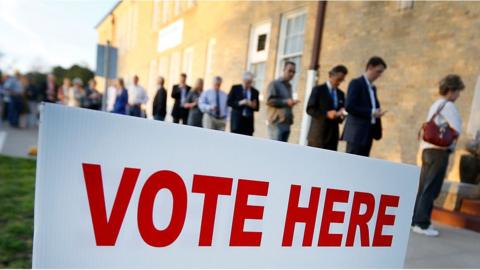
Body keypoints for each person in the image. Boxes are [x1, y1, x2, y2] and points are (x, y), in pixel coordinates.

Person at [412, 74, 465, 237]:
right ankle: (422, 223)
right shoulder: (449, 106)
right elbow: (457, 128)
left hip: (427, 149)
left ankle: (415, 220)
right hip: (439, 151)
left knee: (423, 186)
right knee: (431, 187)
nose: (458, 95)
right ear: (451, 90)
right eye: (457, 91)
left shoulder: (436, 104)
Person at [342, 56, 387, 157]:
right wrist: (372, 112)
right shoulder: (356, 83)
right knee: (351, 165)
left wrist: (377, 113)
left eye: (381, 73)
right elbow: (349, 106)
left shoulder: (373, 88)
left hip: (368, 133)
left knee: (362, 167)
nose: (379, 75)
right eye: (378, 71)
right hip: (356, 134)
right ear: (370, 67)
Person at [306, 65, 348, 150]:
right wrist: (326, 114)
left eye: (342, 80)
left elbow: (340, 119)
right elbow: (310, 109)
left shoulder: (341, 94)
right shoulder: (318, 89)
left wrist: (342, 114)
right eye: (338, 79)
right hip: (318, 136)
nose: (339, 82)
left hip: (333, 137)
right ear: (331, 76)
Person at [266, 61, 300, 142]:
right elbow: (269, 101)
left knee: (283, 151)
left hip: (287, 123)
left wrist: (291, 103)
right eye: (289, 71)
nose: (291, 74)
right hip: (277, 124)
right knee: (275, 151)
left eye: (294, 72)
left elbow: (286, 103)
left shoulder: (289, 86)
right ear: (284, 69)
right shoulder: (274, 84)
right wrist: (286, 102)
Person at [227, 71, 260, 136]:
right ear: (243, 80)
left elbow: (257, 108)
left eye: (250, 82)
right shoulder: (235, 88)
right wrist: (241, 102)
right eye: (247, 82)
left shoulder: (255, 92)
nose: (248, 84)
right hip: (237, 122)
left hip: (248, 124)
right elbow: (229, 102)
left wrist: (253, 106)